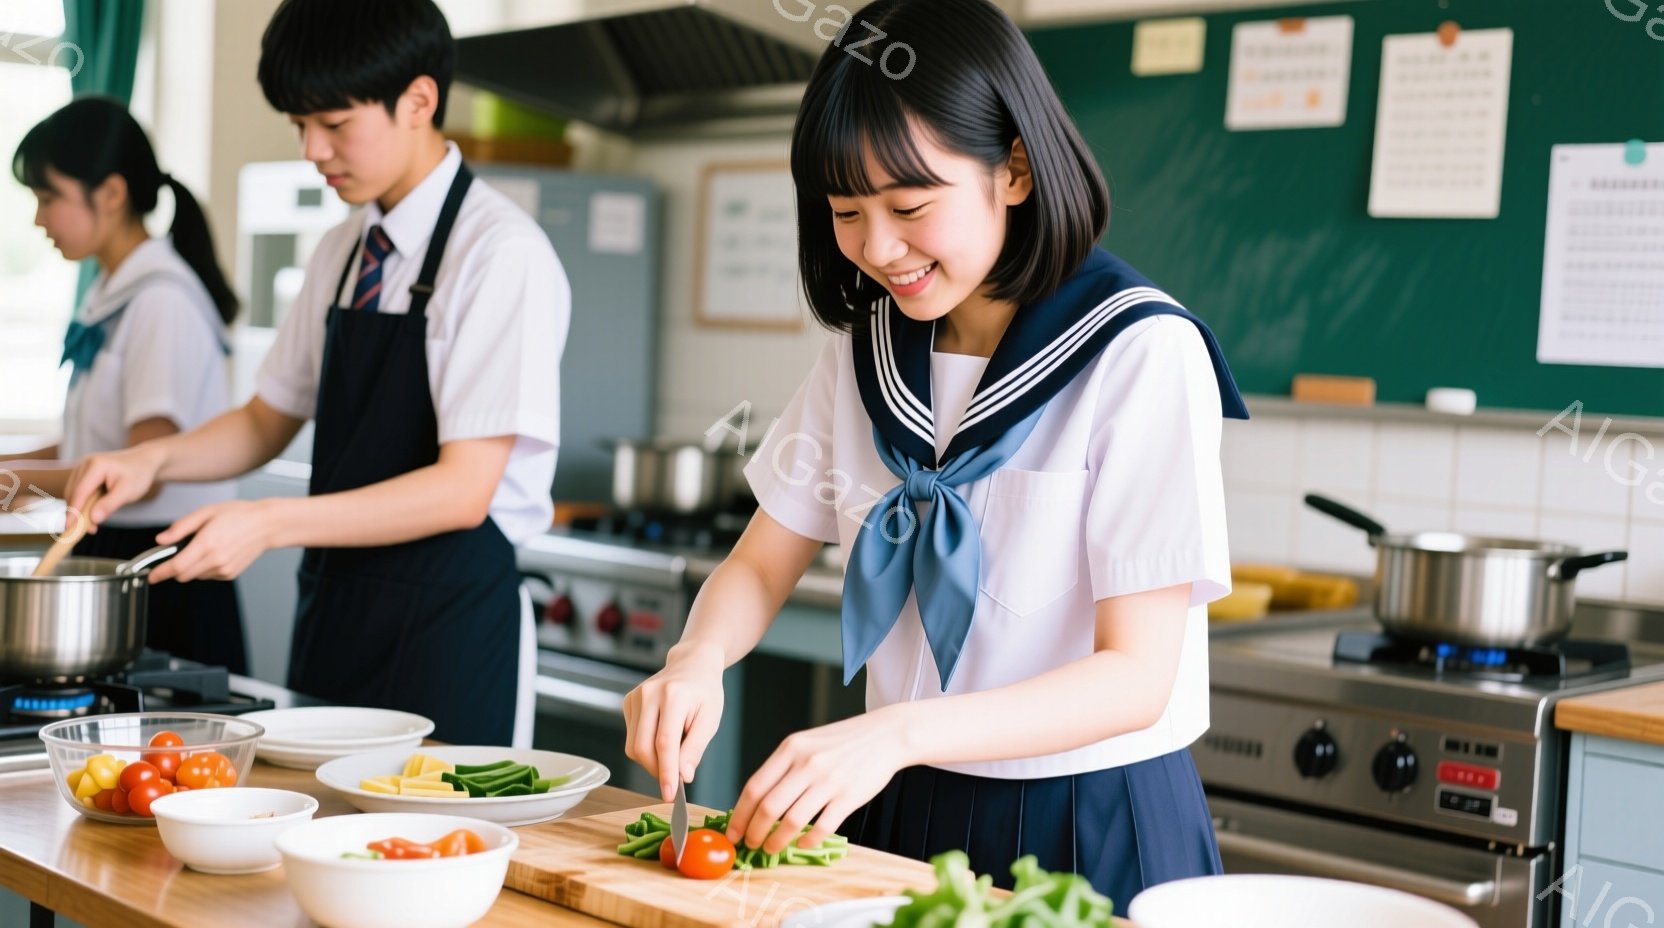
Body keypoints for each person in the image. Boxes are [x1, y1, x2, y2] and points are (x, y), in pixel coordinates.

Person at [623, 0, 1248, 907]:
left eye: (910, 206)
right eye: (845, 211)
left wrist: (893, 735)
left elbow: (1136, 676)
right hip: (895, 800)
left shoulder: (1139, 353)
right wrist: (695, 660)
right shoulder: (865, 348)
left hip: (1086, 815)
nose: (878, 248)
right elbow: (762, 562)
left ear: (1017, 172)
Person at [65, 0, 568, 747]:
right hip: (338, 613)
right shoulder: (345, 248)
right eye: (300, 125)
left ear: (419, 101)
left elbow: (464, 491)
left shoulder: (500, 254)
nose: (311, 149)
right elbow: (268, 418)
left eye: (334, 125)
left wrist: (267, 523)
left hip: (446, 628)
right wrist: (150, 460)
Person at [8, 97, 247, 672]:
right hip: (117, 552)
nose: (39, 219)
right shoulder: (112, 292)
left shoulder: (160, 301)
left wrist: (11, 484)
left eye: (48, 198)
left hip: (160, 567)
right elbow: (89, 448)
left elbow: (141, 473)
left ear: (111, 195)